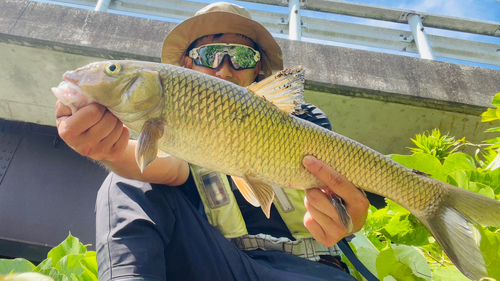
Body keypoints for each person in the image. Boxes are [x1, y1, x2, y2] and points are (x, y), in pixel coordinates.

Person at [55, 2, 369, 280]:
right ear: (187, 65)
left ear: (258, 66)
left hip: (312, 268)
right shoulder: (178, 120)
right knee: (122, 181)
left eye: (241, 56)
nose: (225, 68)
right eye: (210, 54)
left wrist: (349, 216)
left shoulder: (302, 115)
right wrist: (109, 151)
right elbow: (167, 168)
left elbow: (343, 192)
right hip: (219, 262)